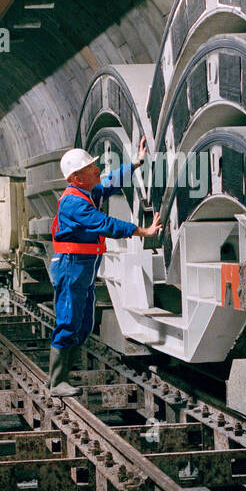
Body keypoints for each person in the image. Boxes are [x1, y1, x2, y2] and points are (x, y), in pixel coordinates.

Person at [48, 138, 162, 396]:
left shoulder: (88, 191)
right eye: (90, 168)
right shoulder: (73, 203)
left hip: (84, 268)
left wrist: (136, 162)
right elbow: (105, 224)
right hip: (71, 268)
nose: (97, 170)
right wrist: (142, 231)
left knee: (84, 325)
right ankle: (57, 382)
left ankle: (62, 375)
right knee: (68, 322)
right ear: (77, 178)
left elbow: (110, 181)